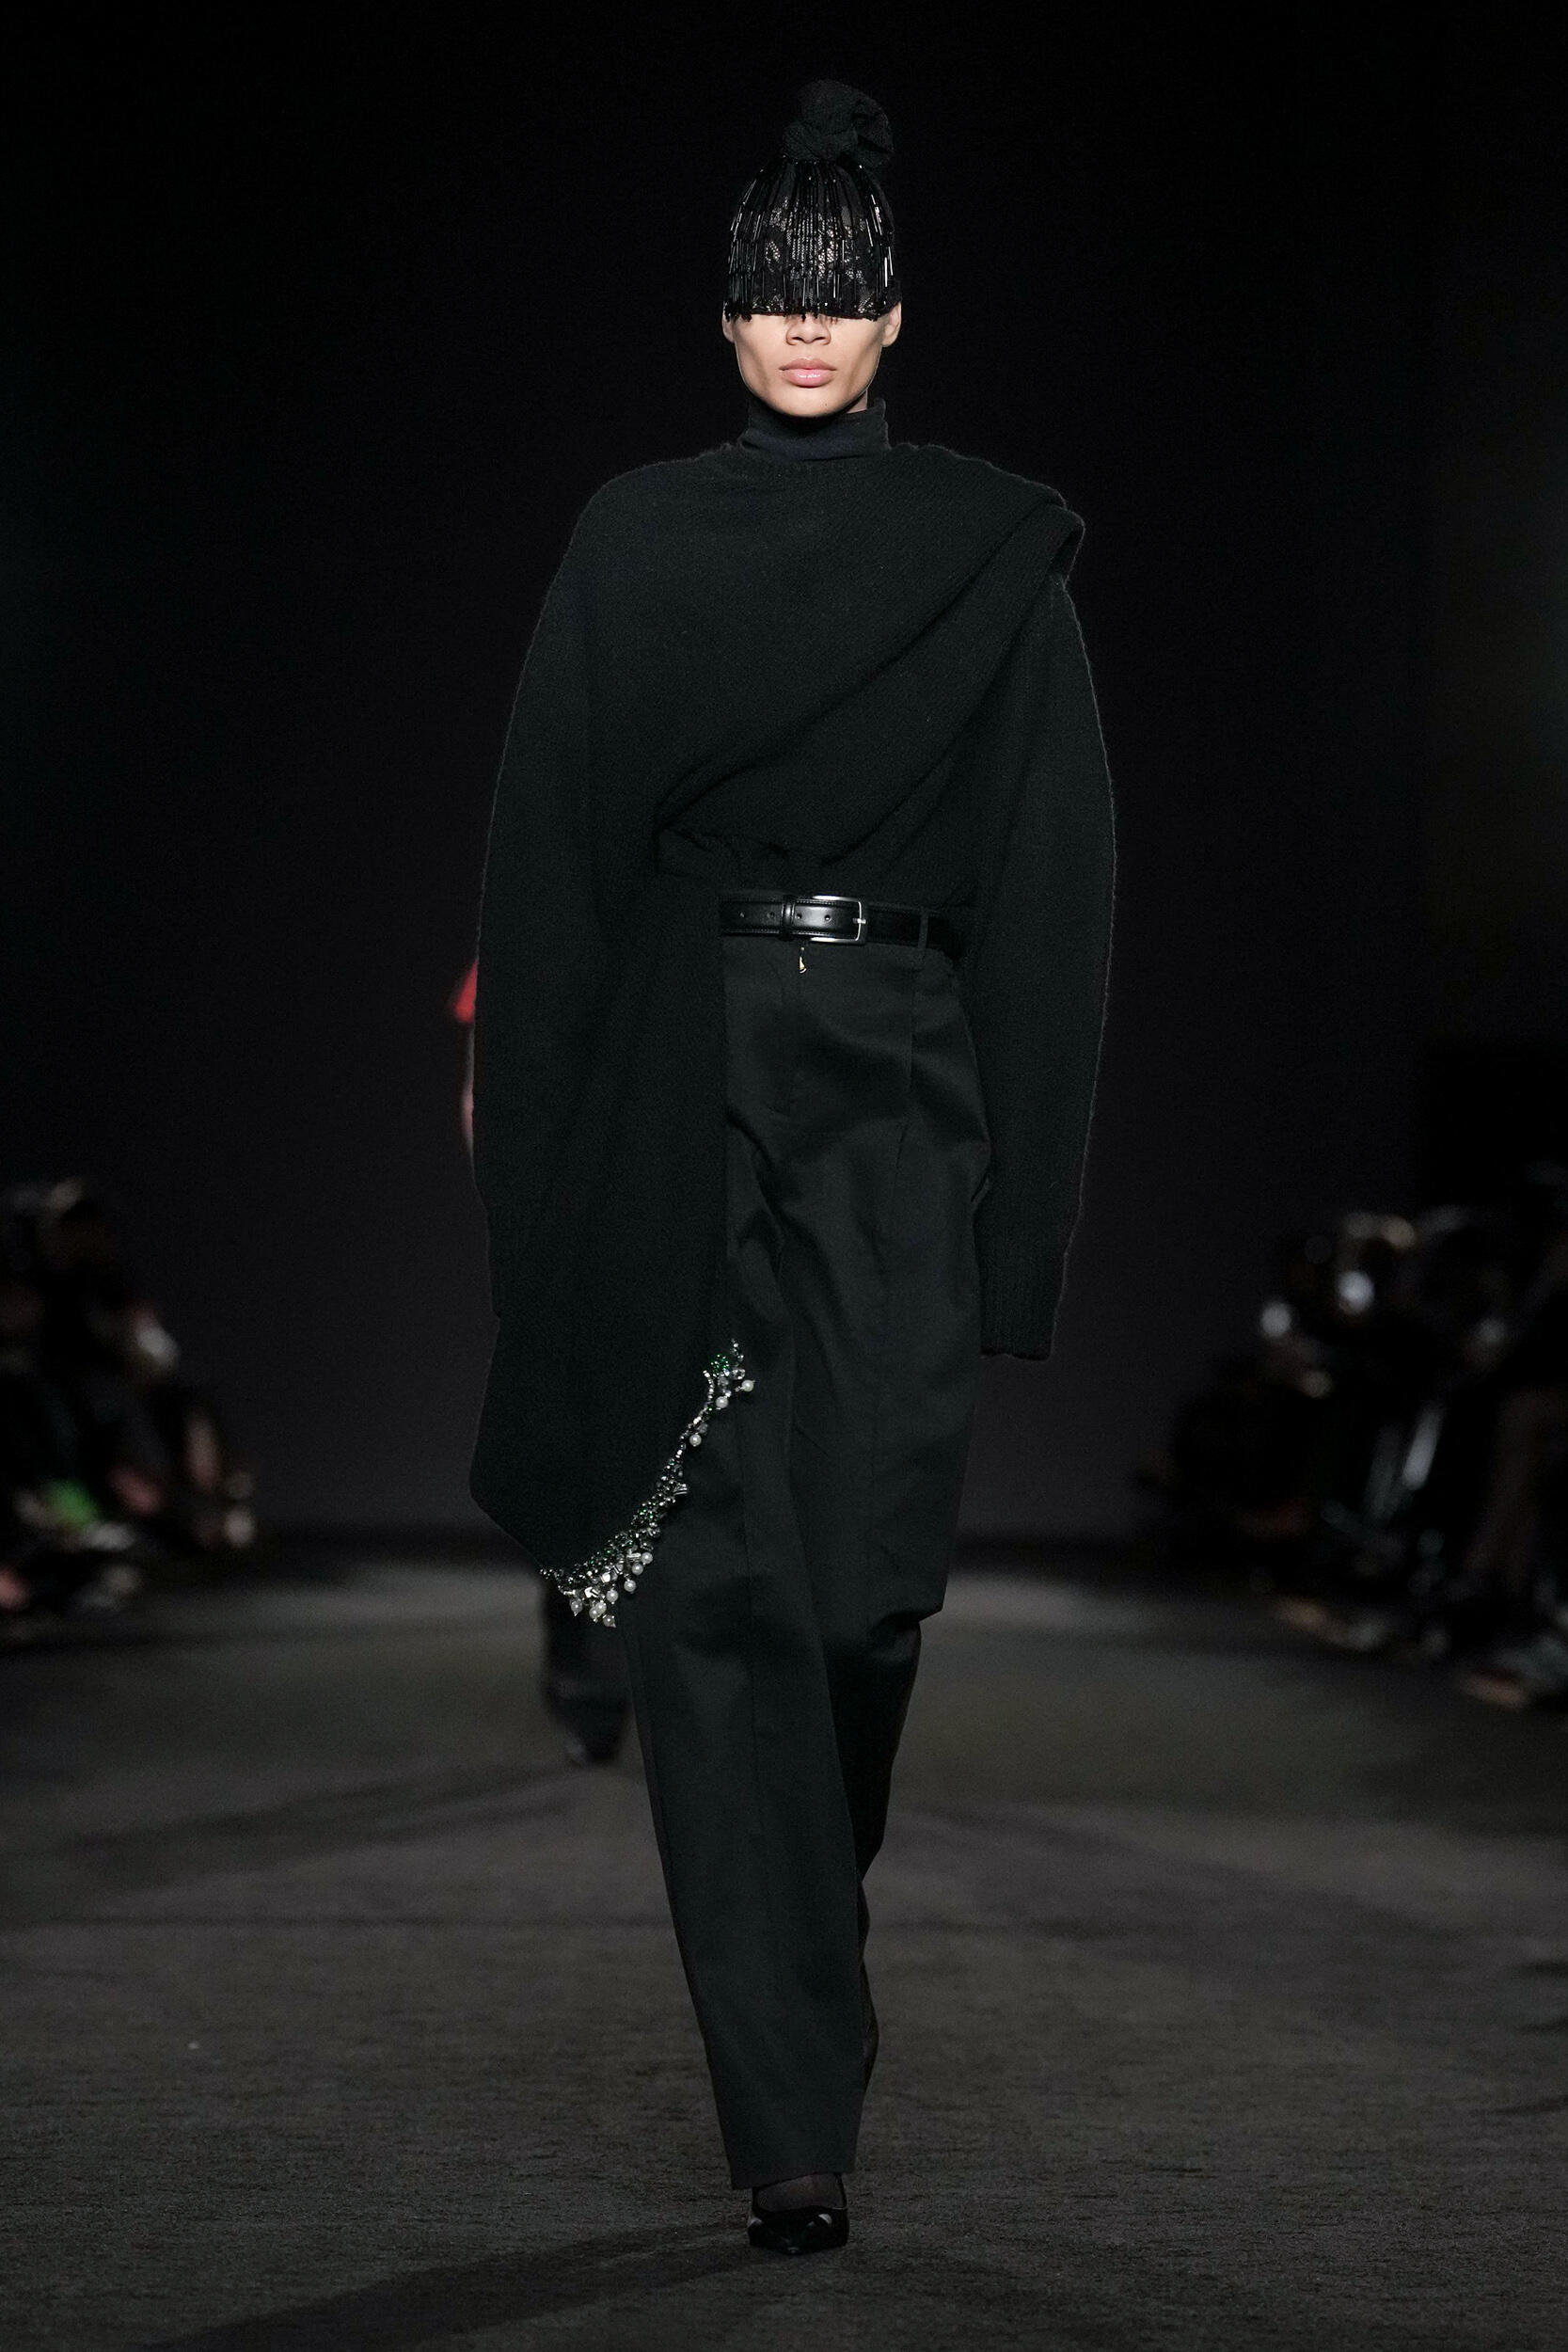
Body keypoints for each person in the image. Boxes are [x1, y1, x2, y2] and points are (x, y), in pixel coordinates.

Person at [469, 80, 1115, 2254]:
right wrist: (538, 1193)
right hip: (681, 1066)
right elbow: (551, 867)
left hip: (901, 1078)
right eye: (771, 291)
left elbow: (1056, 896)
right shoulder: (637, 537)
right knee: (715, 1596)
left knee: (858, 1595)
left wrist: (1025, 1225)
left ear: (898, 311)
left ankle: (795, 1963)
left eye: (840, 291)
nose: (806, 324)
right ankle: (787, 2116)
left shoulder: (992, 554)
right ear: (727, 317)